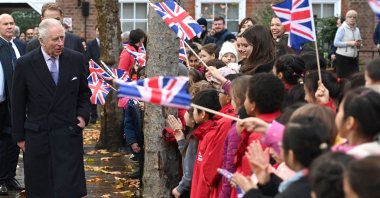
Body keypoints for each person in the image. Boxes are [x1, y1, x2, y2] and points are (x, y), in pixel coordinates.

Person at [11, 18, 91, 198]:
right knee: (42, 189)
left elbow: (84, 93)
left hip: (68, 133)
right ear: (41, 40)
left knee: (68, 189)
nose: (60, 43)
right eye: (55, 39)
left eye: (62, 38)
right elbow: (17, 104)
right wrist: (19, 138)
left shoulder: (75, 59)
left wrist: (83, 117)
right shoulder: (25, 64)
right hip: (38, 136)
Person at [232, 115, 331, 198]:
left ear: (292, 156)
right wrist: (267, 183)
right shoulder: (322, 178)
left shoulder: (297, 191)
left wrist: (251, 193)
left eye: (281, 146)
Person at [0, 13, 26, 195]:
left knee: (14, 140)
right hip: (1, 101)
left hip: (15, 102)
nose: (10, 26)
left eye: (12, 23)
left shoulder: (18, 45)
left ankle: (9, 176)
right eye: (5, 24)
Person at [333, 10, 362, 78]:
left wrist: (359, 44)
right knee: (344, 79)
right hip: (343, 58)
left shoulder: (357, 29)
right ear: (346, 18)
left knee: (355, 78)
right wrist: (349, 43)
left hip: (354, 58)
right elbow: (336, 43)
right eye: (350, 17)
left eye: (354, 17)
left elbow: (360, 42)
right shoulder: (342, 28)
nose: (352, 18)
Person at [86, 25, 101, 124]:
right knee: (94, 95)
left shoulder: (108, 43)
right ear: (95, 32)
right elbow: (88, 57)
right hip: (94, 72)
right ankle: (94, 116)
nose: (99, 32)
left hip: (106, 72)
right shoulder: (91, 44)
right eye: (97, 30)